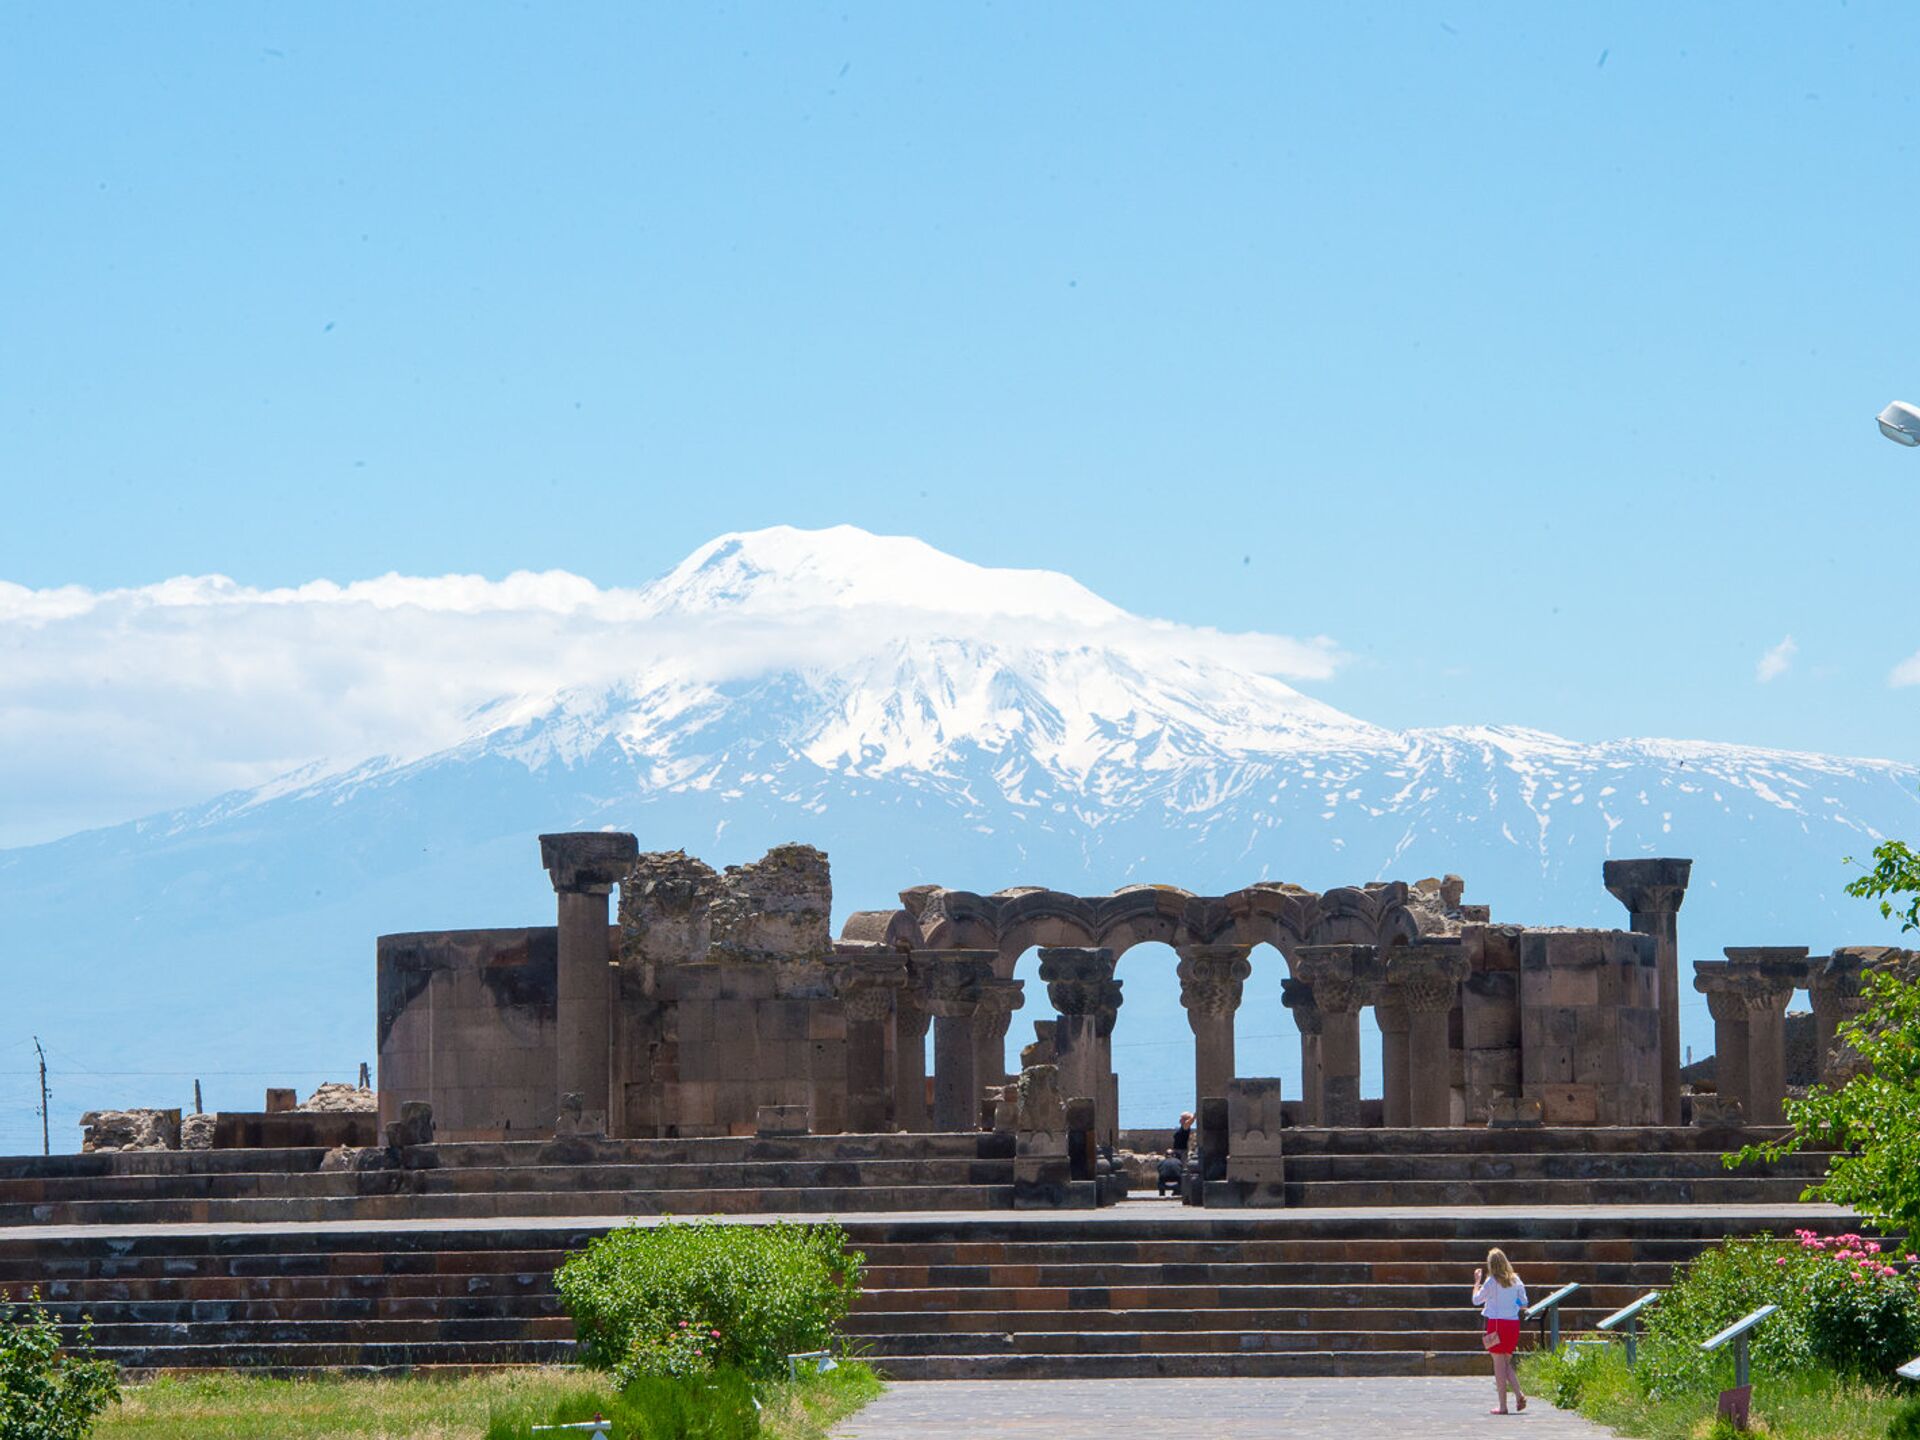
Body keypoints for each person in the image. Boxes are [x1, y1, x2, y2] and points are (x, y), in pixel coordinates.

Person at [1473, 1248, 1529, 1415]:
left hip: (1496, 1324)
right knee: (1505, 1363)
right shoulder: (1516, 1279)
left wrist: (1476, 1282)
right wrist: (1511, 1304)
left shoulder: (1490, 1282)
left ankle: (1503, 1406)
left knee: (1499, 1366)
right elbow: (1524, 1302)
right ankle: (1518, 1394)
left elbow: (1476, 1300)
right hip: (1512, 1324)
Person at [1156, 1112, 1194, 1196]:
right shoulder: (1182, 1128)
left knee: (1182, 1170)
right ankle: (1178, 1190)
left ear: (1185, 1120)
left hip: (1182, 1151)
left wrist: (1192, 1116)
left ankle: (1182, 1189)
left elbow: (1191, 1120)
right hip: (1177, 1151)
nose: (1180, 1119)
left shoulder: (1185, 1127)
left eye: (1182, 1118)